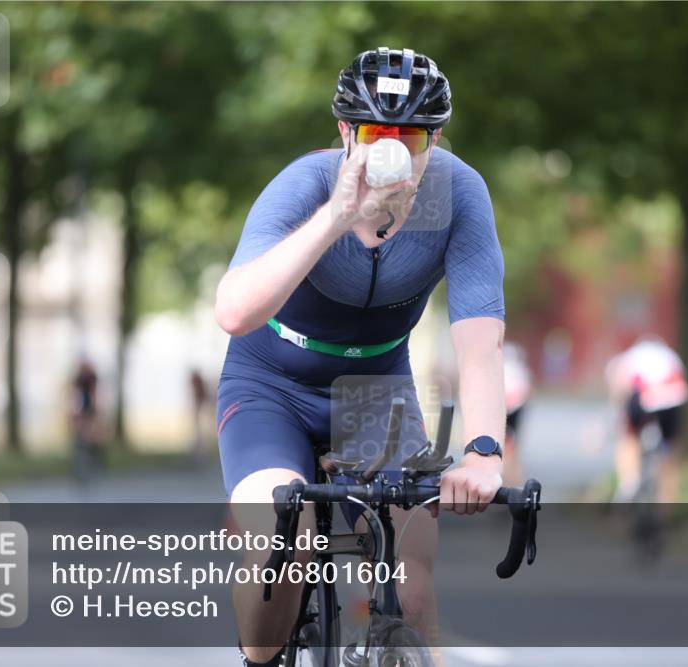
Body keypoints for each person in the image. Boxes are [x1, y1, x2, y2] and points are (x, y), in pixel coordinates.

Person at [214, 47, 508, 666]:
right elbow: (235, 312)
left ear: (435, 139)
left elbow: (480, 343)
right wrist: (336, 217)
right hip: (273, 383)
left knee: (414, 584)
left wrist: (484, 451)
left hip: (375, 389)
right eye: (376, 133)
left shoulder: (457, 195)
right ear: (346, 132)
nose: (393, 148)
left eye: (411, 135)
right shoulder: (308, 183)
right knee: (279, 538)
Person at [604, 335, 688, 505]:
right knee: (670, 449)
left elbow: (620, 385)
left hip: (645, 395)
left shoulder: (631, 356)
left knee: (629, 436)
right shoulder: (671, 355)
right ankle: (666, 502)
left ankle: (629, 480)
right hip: (673, 397)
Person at [502, 342, 532, 489]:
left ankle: (512, 475)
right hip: (511, 407)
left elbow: (525, 390)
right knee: (511, 444)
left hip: (513, 407)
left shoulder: (514, 369)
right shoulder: (516, 369)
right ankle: (511, 475)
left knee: (510, 444)